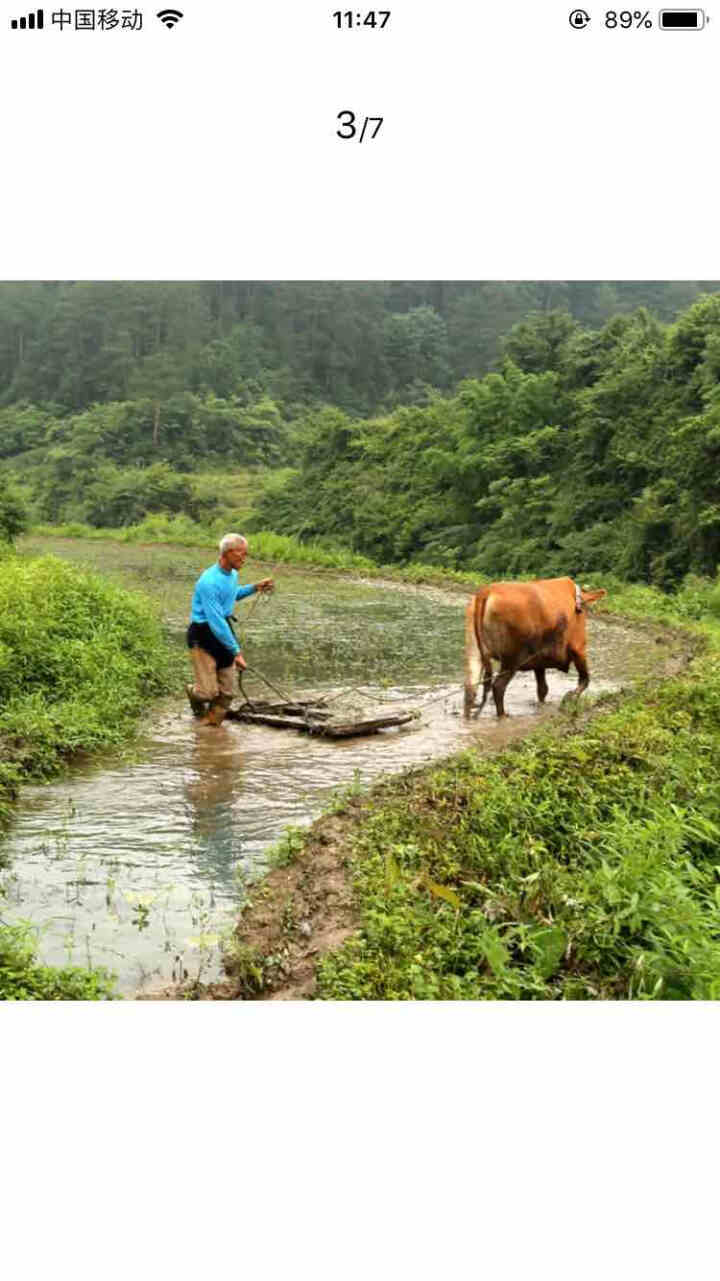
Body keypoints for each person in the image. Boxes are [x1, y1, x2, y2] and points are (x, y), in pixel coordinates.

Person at [186, 533, 273, 727]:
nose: (244, 558)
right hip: (203, 635)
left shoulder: (232, 574)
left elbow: (231, 595)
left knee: (227, 693)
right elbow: (216, 621)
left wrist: (254, 587)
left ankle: (209, 731)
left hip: (223, 631)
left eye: (246, 554)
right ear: (227, 553)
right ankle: (192, 691)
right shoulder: (208, 581)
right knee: (208, 693)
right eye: (241, 554)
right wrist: (236, 652)